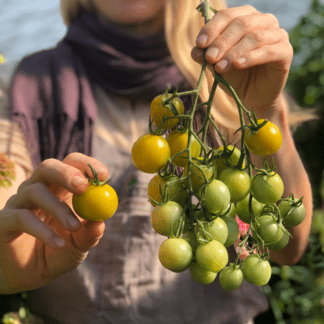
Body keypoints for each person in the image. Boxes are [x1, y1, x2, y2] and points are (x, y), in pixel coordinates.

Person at [0, 0, 313, 323]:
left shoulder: (234, 77)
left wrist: (267, 111)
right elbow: (5, 207)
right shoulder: (22, 89)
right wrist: (6, 266)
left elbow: (284, 246)